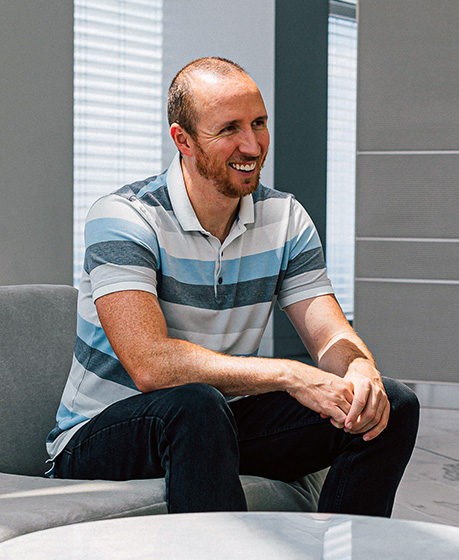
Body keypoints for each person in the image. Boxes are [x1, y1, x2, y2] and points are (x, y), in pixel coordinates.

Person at [47, 57, 419, 516]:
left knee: (391, 407)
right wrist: (291, 375)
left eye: (259, 123)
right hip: (103, 435)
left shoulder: (284, 218)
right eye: (229, 129)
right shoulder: (125, 217)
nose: (252, 144)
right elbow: (150, 365)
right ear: (182, 139)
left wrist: (359, 369)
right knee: (194, 405)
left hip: (216, 421)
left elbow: (328, 334)